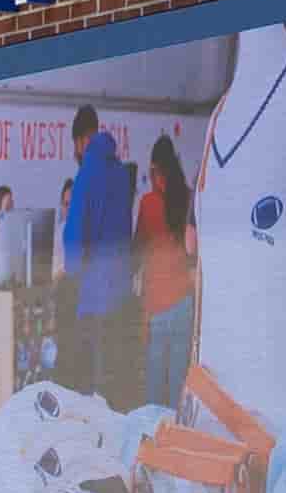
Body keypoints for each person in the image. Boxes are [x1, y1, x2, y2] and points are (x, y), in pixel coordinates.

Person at [59, 106, 142, 401]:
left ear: (80, 140)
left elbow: (75, 236)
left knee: (91, 389)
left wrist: (71, 273)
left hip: (94, 298)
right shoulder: (121, 172)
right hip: (121, 294)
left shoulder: (87, 172)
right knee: (116, 384)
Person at [135, 134, 202, 409]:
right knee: (177, 391)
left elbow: (136, 249)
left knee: (153, 391)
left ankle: (153, 445)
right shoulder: (187, 197)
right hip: (185, 303)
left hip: (158, 307)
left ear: (154, 170)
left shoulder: (148, 203)